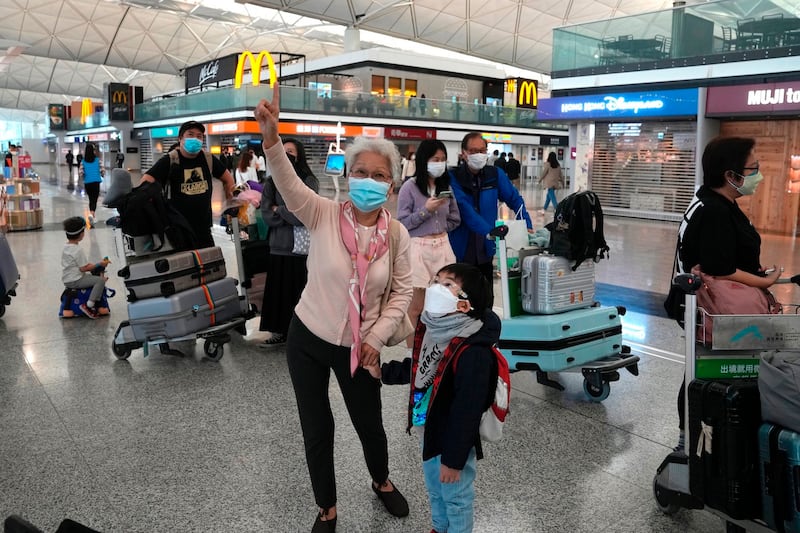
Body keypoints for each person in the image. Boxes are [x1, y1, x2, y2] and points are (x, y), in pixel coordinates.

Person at [255, 89, 413, 532]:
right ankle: (327, 507)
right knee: (317, 428)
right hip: (307, 337)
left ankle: (381, 481)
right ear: (347, 173)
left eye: (378, 174)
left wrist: (375, 338)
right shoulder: (323, 213)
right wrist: (272, 139)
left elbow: (401, 294)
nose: (368, 179)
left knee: (369, 424)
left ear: (391, 184)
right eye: (360, 171)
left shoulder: (397, 235)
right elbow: (288, 184)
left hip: (360, 347)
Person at [673, 136, 784, 452]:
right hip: (712, 309)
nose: (758, 175)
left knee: (702, 370)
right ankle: (691, 440)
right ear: (731, 176)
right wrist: (766, 282)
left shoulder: (715, 202)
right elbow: (719, 267)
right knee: (704, 371)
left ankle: (706, 436)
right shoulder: (714, 211)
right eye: (753, 168)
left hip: (714, 306)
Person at [381, 263, 498, 533]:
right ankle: (439, 527)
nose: (435, 288)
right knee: (435, 488)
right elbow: (421, 368)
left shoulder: (473, 351)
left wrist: (454, 460)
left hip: (453, 439)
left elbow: (467, 411)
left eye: (447, 285)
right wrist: (383, 373)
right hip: (429, 427)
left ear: (464, 305)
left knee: (456, 496)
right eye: (436, 280)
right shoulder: (434, 328)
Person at [448, 132, 533, 291]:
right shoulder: (454, 177)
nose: (478, 155)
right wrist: (490, 231)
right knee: (462, 298)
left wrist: (526, 224)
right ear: (464, 153)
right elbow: (465, 210)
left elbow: (515, 199)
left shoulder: (494, 175)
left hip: (486, 250)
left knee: (486, 296)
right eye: (473, 151)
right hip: (460, 248)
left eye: (482, 150)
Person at [396, 139, 460, 351]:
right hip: (418, 249)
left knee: (446, 303)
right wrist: (426, 210)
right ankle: (414, 355)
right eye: (435, 159)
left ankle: (440, 352)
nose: (440, 164)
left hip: (442, 246)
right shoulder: (410, 187)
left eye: (442, 160)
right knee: (416, 307)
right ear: (424, 161)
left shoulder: (446, 187)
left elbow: (454, 218)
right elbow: (403, 222)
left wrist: (440, 228)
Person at [258, 138, 320, 347]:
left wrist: (280, 209)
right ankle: (279, 331)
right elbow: (267, 214)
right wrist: (286, 211)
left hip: (301, 250)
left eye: (291, 152)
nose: (286, 156)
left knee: (299, 292)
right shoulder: (271, 182)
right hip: (278, 247)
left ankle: (301, 335)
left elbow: (303, 214)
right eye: (283, 152)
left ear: (299, 155)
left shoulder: (308, 180)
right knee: (278, 293)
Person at [140, 120, 235, 249]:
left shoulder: (208, 159)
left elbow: (228, 179)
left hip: (203, 227)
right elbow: (145, 183)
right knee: (184, 265)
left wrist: (231, 203)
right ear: (180, 138)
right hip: (177, 229)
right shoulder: (170, 160)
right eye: (190, 135)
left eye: (199, 136)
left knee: (209, 264)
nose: (195, 139)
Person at [61, 216, 110, 319]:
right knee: (100, 281)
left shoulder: (66, 247)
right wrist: (99, 264)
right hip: (76, 280)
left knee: (91, 278)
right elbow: (84, 268)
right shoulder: (77, 250)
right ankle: (89, 306)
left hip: (67, 279)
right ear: (81, 234)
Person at [79, 143, 104, 228]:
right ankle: (92, 214)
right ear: (93, 151)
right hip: (96, 182)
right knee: (95, 199)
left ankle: (92, 214)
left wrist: (84, 178)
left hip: (88, 183)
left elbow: (81, 173)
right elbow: (102, 170)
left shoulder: (83, 161)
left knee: (91, 199)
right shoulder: (97, 160)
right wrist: (102, 174)